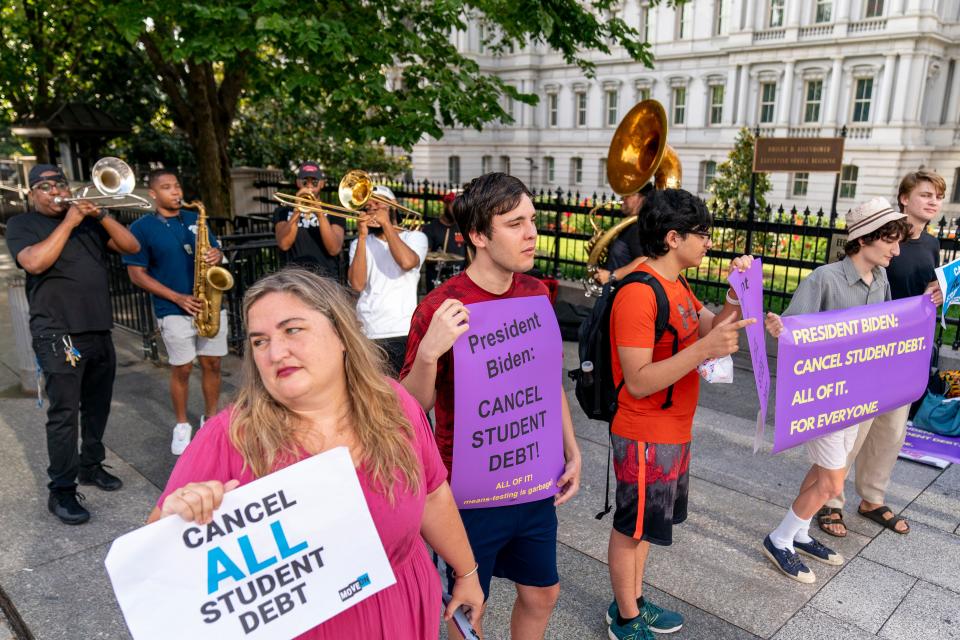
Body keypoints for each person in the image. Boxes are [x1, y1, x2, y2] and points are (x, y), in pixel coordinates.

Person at [148, 269, 484, 638]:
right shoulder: (229, 437)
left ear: (341, 334)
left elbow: (433, 494)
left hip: (400, 601)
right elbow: (156, 558)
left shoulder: (394, 403)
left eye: (293, 330)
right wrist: (183, 517)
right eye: (260, 341)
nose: (275, 352)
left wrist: (466, 573)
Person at [400, 172, 582, 640]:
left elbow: (545, 381)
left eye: (533, 221)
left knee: (543, 593)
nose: (532, 234)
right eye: (515, 223)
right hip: (465, 492)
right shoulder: (441, 306)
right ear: (479, 236)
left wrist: (571, 448)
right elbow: (411, 405)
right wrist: (428, 352)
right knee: (467, 610)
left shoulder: (536, 293)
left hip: (530, 479)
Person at [606, 189, 753, 639]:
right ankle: (625, 618)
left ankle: (633, 600)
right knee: (630, 529)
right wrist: (705, 350)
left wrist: (734, 292)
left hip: (671, 429)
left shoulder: (677, 284)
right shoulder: (639, 293)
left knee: (647, 527)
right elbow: (639, 380)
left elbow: (713, 328)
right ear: (673, 237)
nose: (709, 243)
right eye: (702, 234)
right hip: (643, 431)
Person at [763, 197, 914, 584]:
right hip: (825, 397)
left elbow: (888, 324)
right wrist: (781, 327)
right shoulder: (824, 278)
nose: (897, 250)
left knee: (829, 470)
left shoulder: (880, 279)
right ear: (866, 239)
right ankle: (779, 539)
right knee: (832, 482)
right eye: (890, 241)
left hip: (858, 395)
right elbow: (794, 329)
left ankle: (799, 532)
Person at [5, 164, 140, 524]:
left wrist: (102, 214)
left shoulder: (90, 222)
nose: (54, 192)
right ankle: (61, 491)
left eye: (59, 184)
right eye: (45, 187)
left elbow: (132, 246)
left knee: (97, 407)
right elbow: (34, 263)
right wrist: (69, 222)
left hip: (98, 329)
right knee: (64, 414)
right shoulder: (23, 226)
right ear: (33, 194)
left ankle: (90, 465)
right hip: (58, 334)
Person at [818, 171, 945, 538]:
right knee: (852, 432)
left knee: (891, 432)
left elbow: (924, 292)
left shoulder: (933, 243)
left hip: (909, 349)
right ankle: (830, 500)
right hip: (871, 350)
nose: (933, 202)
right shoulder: (882, 236)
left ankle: (872, 498)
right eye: (925, 194)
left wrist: (939, 289)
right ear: (904, 199)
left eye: (938, 196)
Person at [124, 169, 227, 455]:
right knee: (182, 368)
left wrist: (218, 255)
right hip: (172, 307)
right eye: (167, 188)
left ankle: (211, 417)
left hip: (209, 303)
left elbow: (218, 253)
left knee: (213, 364)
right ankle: (182, 425)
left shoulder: (196, 219)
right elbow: (136, 274)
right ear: (153, 195)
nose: (176, 192)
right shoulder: (141, 228)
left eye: (177, 186)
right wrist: (177, 297)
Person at [348, 185, 428, 376]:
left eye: (378, 203)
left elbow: (407, 262)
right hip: (367, 330)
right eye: (367, 206)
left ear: (392, 205)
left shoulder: (415, 237)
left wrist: (387, 225)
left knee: (406, 395)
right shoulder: (359, 243)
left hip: (402, 329)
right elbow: (357, 284)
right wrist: (361, 236)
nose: (372, 208)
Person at [273, 162, 345, 280]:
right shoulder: (283, 212)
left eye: (315, 181)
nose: (310, 185)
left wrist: (320, 214)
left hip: (325, 279)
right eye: (305, 181)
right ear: (298, 182)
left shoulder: (335, 212)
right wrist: (297, 210)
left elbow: (334, 249)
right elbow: (284, 244)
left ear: (322, 184)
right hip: (294, 279)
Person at [595, 182, 653, 285]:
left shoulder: (637, 227)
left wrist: (611, 276)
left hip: (623, 291)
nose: (623, 197)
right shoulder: (630, 224)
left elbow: (644, 260)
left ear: (641, 199)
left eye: (629, 194)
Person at [422, 191, 467, 292]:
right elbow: (426, 255)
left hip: (460, 280)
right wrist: (438, 257)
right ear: (446, 204)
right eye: (454, 206)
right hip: (437, 279)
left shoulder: (463, 228)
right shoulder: (431, 228)